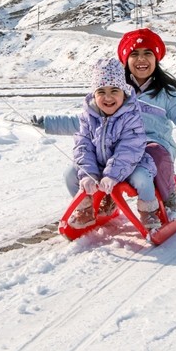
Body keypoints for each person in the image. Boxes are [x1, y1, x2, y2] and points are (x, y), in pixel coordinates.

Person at [36, 28, 176, 222]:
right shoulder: (114, 91)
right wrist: (47, 123)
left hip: (153, 145)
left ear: (156, 59)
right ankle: (103, 198)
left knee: (155, 154)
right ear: (125, 60)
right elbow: (85, 122)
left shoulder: (165, 94)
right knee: (90, 160)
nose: (141, 59)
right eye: (134, 54)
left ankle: (168, 195)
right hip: (118, 147)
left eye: (147, 53)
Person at [66, 57, 160, 231]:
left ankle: (148, 211)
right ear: (94, 95)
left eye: (114, 90)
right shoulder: (88, 117)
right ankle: (86, 209)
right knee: (70, 174)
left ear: (124, 92)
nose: (107, 97)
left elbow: (129, 149)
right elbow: (83, 146)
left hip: (131, 164)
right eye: (101, 91)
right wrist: (88, 173)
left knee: (143, 178)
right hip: (99, 165)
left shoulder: (131, 116)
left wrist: (112, 175)